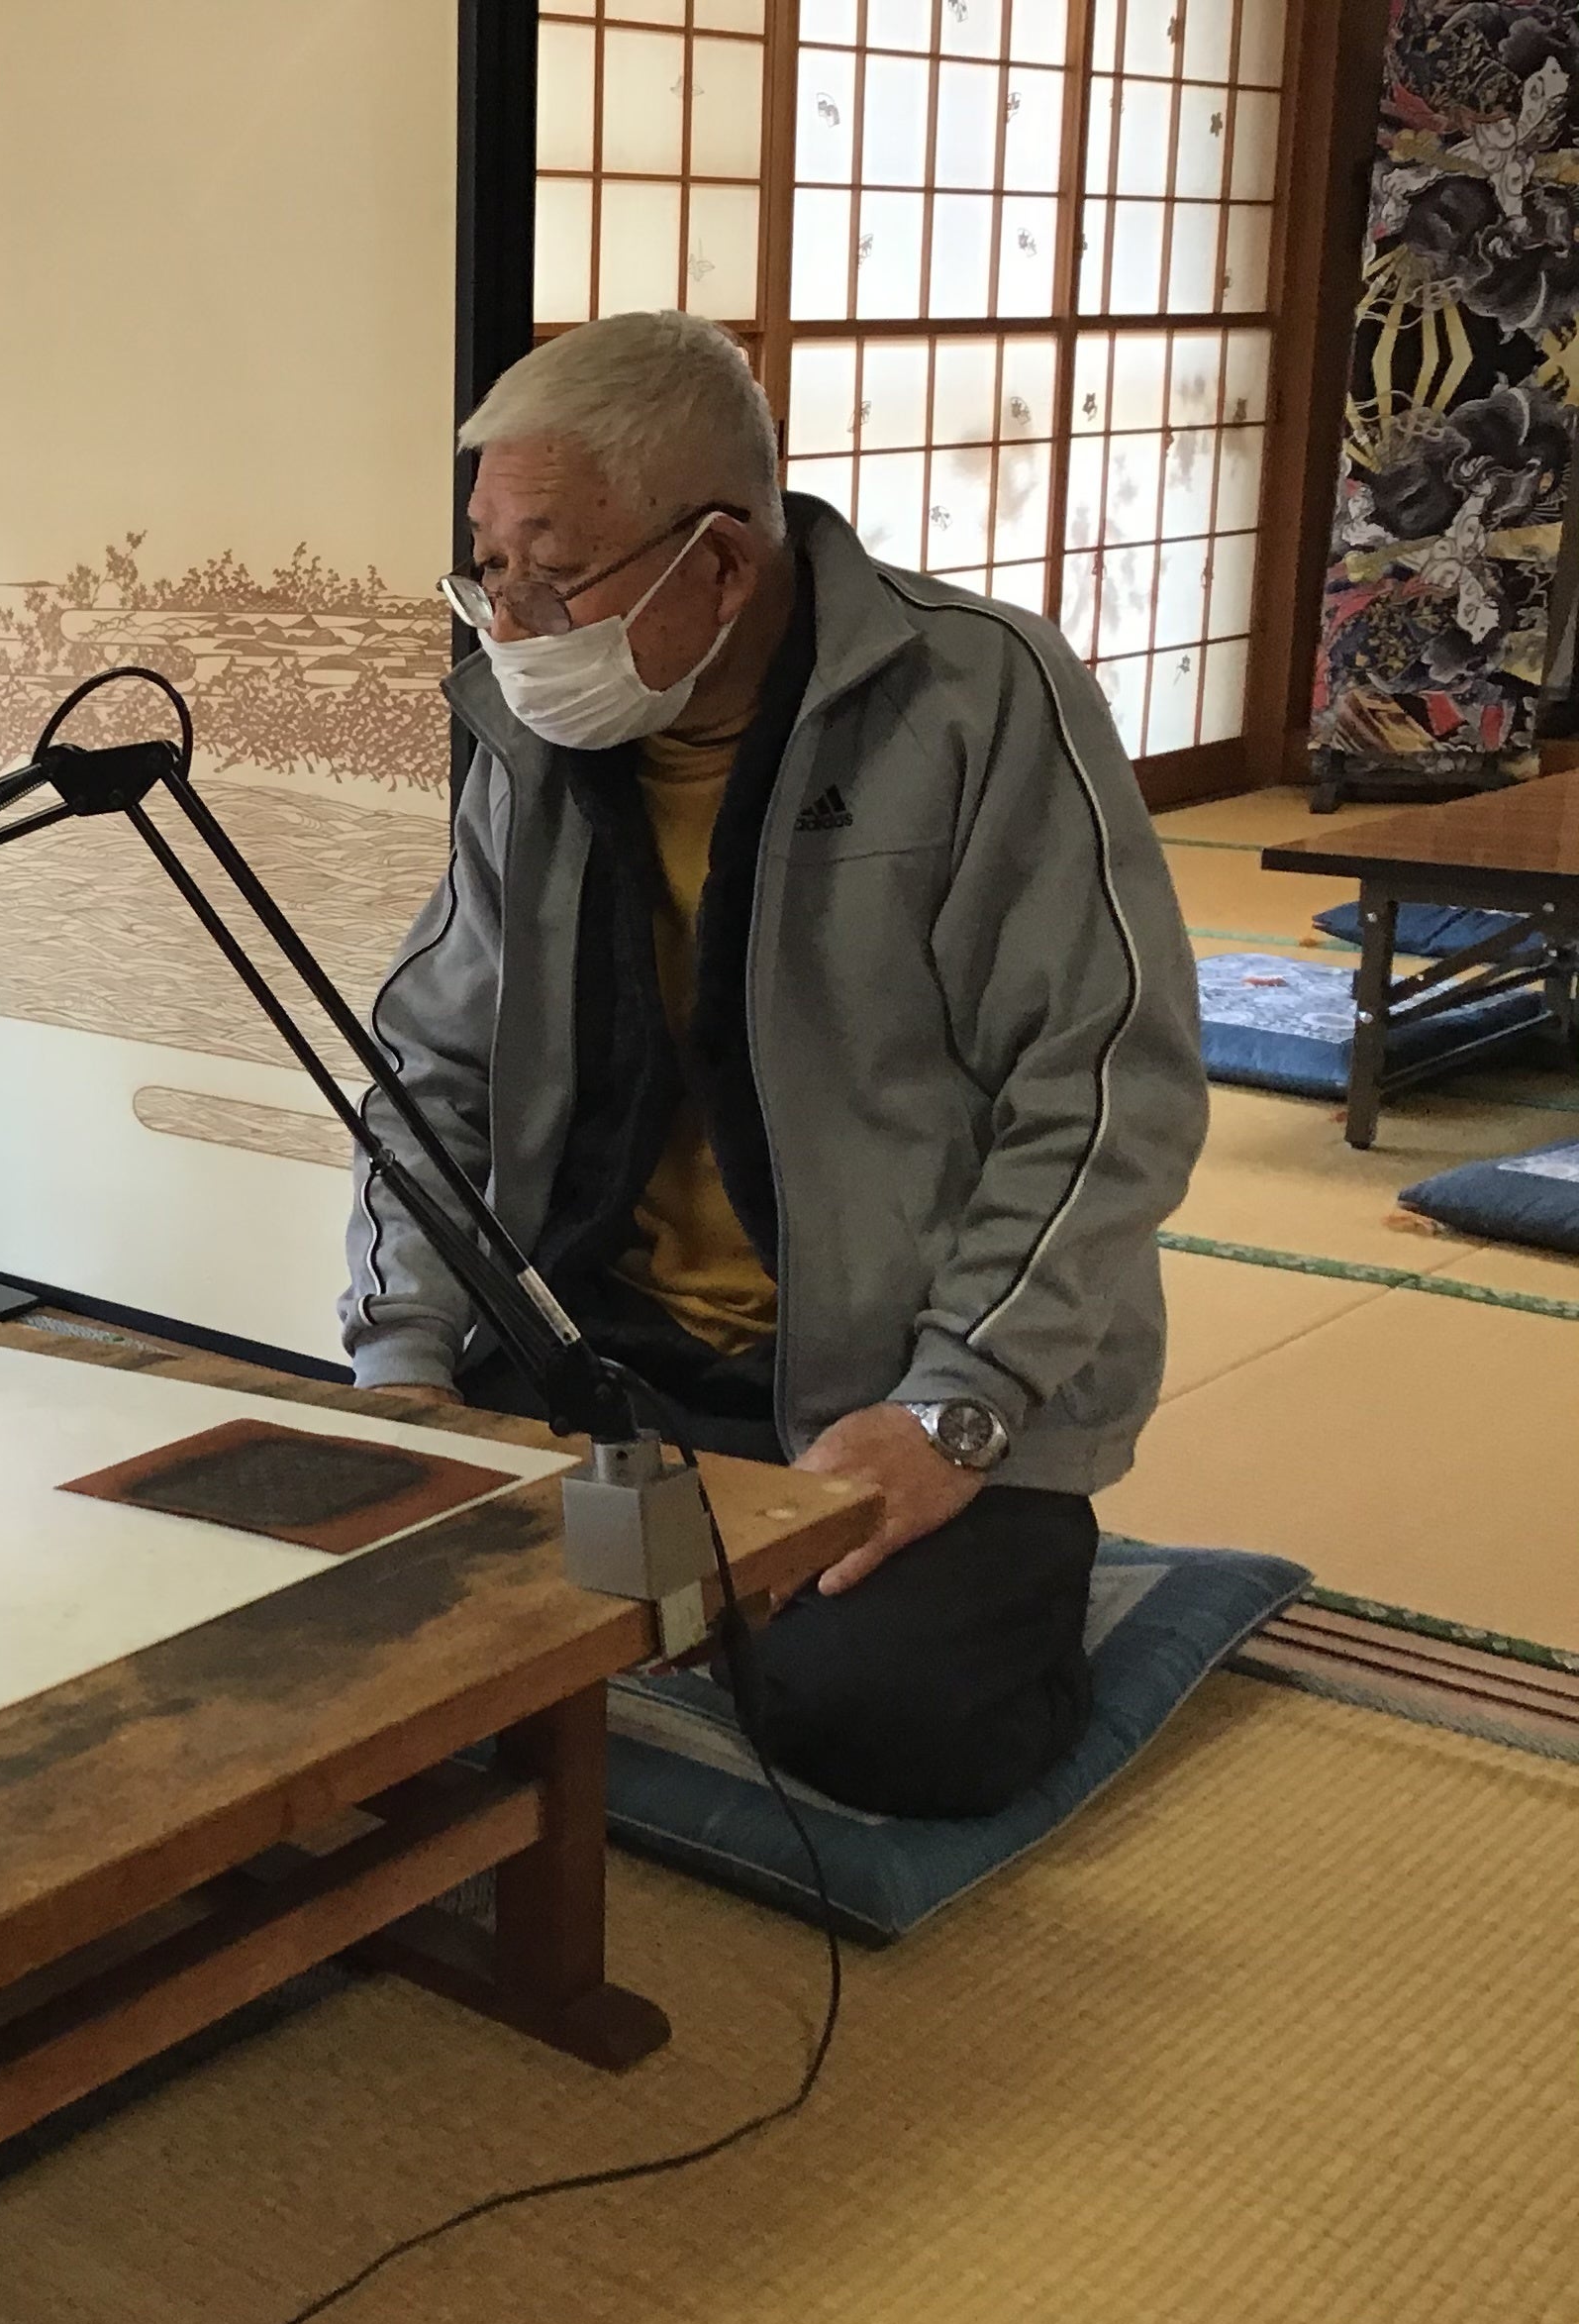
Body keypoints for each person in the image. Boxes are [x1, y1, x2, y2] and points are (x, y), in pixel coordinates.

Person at [343, 312, 1207, 1821]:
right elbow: (431, 1063)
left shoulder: (979, 699)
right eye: (489, 566)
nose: (512, 618)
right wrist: (404, 1365)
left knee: (891, 1726)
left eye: (555, 572)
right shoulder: (535, 735)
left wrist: (961, 1407)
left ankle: (1011, 1590)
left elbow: (1107, 1084)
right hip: (598, 1356)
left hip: (885, 1380)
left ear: (723, 562)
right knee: (331, 1609)